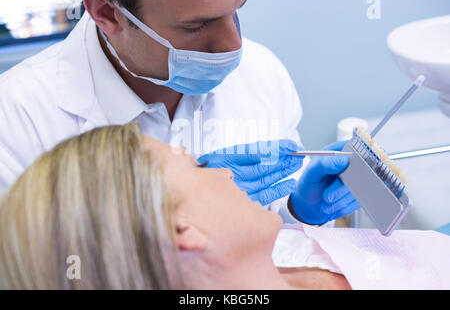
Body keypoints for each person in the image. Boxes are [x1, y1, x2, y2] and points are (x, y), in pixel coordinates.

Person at [0, 0, 358, 225]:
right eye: (197, 25)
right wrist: (159, 226)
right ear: (107, 13)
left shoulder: (262, 73)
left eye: (236, 11)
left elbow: (275, 243)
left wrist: (299, 212)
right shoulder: (18, 118)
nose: (234, 46)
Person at [0, 124, 448, 290]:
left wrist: (303, 214)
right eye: (197, 165)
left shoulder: (269, 259)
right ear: (182, 231)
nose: (228, 171)